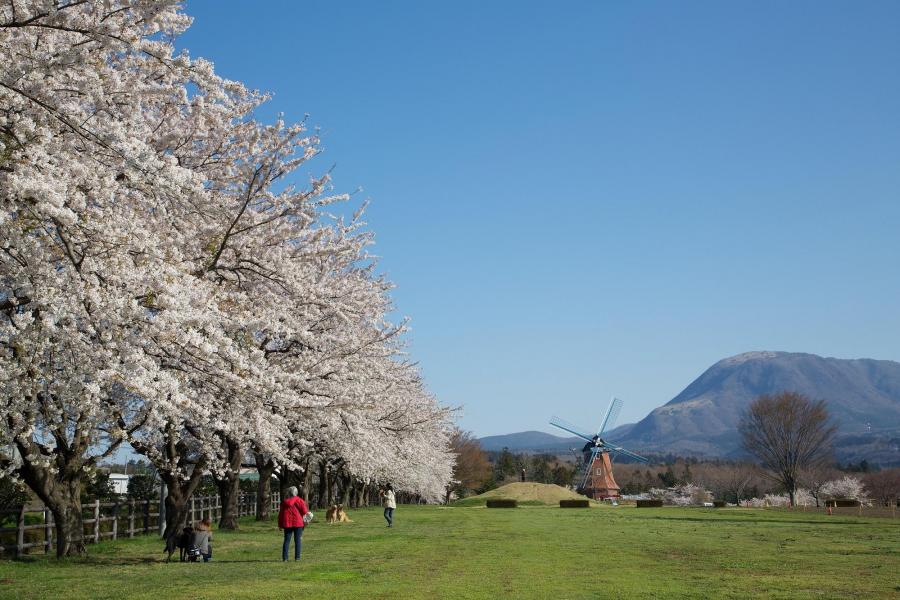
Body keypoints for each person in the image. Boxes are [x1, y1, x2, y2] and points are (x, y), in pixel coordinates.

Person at [278, 486, 309, 561]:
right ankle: (297, 558)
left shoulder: (284, 502)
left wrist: (280, 524)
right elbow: (305, 512)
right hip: (298, 523)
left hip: (287, 523)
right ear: (296, 492)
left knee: (286, 540)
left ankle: (285, 558)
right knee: (297, 540)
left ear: (289, 493)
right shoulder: (300, 500)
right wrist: (307, 520)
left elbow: (281, 514)